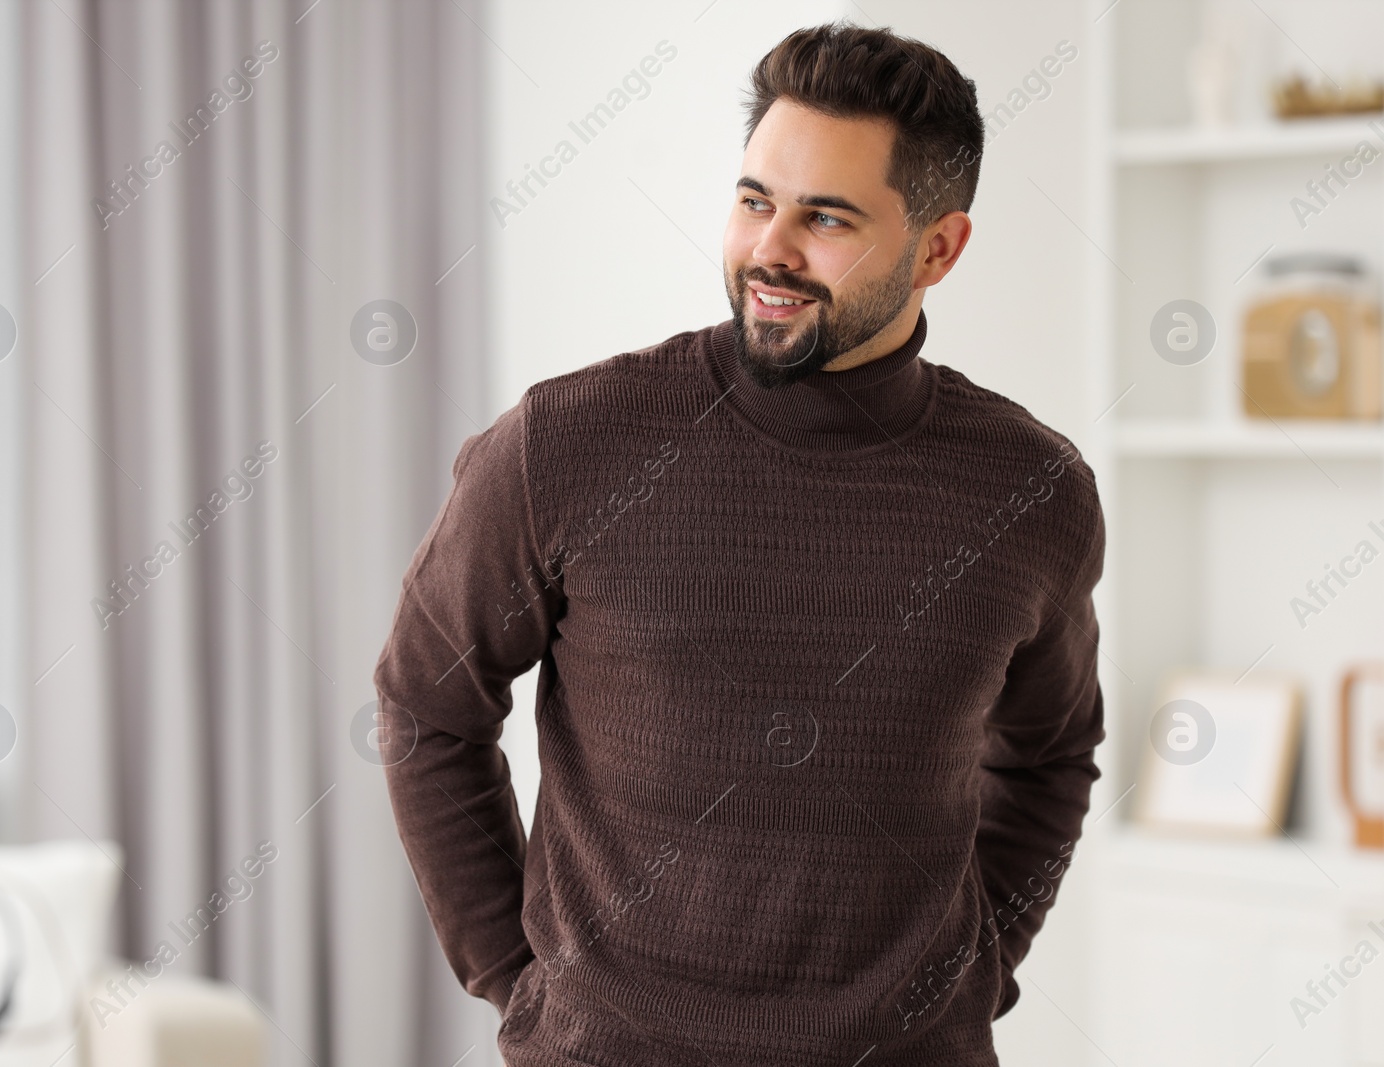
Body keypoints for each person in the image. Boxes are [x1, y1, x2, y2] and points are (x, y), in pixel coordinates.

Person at [373, 21, 1104, 1066]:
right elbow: (423, 706)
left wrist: (975, 971)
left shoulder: (1031, 490)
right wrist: (519, 984)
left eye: (827, 218)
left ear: (937, 248)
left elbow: (1052, 750)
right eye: (755, 199)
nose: (770, 247)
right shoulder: (566, 441)